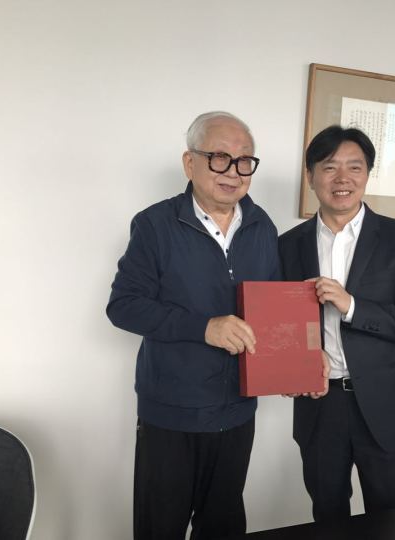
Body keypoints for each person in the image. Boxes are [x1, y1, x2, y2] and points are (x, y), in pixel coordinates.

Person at [106, 111, 280, 540]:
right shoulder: (155, 225)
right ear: (190, 163)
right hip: (172, 411)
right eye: (219, 158)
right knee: (160, 528)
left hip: (238, 411)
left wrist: (295, 365)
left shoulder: (262, 227)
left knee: (223, 527)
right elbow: (124, 306)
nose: (233, 172)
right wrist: (205, 328)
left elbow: (274, 311)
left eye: (244, 161)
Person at [278, 125, 395, 522]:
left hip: (386, 405)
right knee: (327, 516)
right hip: (319, 404)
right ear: (310, 176)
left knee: (393, 521)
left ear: (367, 175)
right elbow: (280, 324)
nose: (342, 178)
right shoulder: (287, 244)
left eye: (354, 167)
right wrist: (291, 366)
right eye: (329, 167)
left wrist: (352, 306)